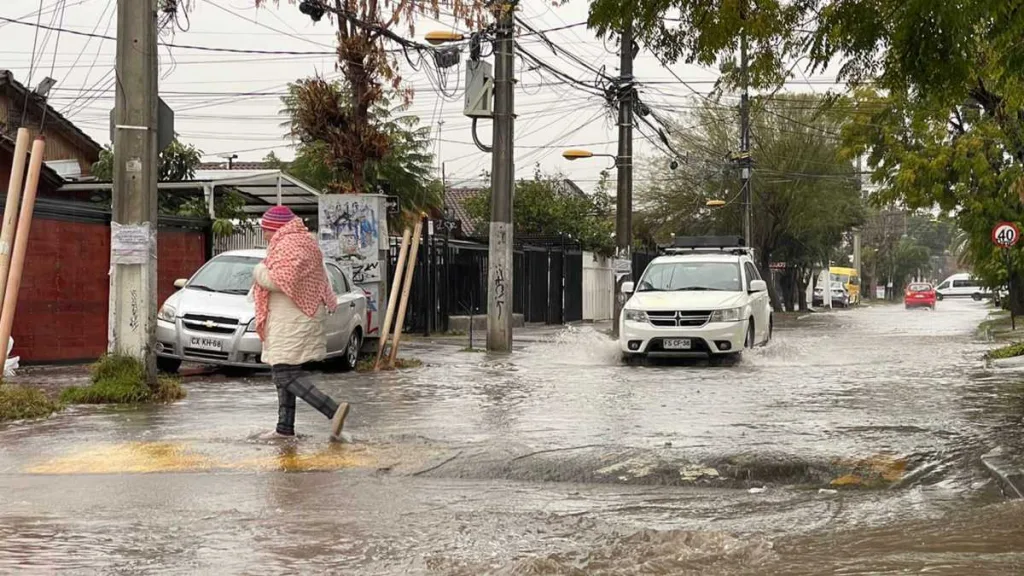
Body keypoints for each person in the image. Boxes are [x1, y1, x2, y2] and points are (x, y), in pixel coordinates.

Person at [252, 205, 349, 441]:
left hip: (293, 320)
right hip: (293, 318)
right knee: (285, 371)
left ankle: (333, 409)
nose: (264, 235)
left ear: (276, 228)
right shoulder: (301, 242)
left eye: (266, 230)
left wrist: (259, 270)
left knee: (284, 375)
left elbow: (279, 281)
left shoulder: (291, 244)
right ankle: (284, 428)